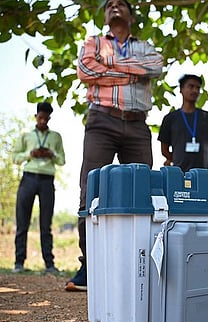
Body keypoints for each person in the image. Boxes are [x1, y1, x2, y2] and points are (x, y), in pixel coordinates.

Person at [66, 0, 163, 291]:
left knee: (144, 192)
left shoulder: (145, 46)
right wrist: (131, 72)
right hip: (101, 121)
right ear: (106, 15)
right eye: (109, 4)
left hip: (137, 123)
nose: (114, 6)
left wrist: (108, 66)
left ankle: (139, 264)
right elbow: (85, 70)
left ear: (131, 15)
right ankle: (89, 266)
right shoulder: (93, 42)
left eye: (121, 3)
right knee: (91, 191)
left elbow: (155, 67)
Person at [12, 101, 66, 273]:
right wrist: (30, 154)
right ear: (36, 116)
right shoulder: (26, 136)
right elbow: (15, 158)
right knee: (22, 222)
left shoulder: (56, 137)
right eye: (40, 117)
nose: (43, 121)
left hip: (47, 180)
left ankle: (49, 264)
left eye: (46, 118)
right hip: (28, 178)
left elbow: (62, 160)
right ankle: (18, 263)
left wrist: (52, 154)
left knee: (45, 224)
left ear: (50, 118)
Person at [158, 74, 208, 173]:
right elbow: (164, 149)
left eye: (198, 88)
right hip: (179, 173)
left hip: (203, 173)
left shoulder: (207, 118)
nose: (194, 90)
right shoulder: (170, 118)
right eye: (191, 86)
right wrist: (178, 159)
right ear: (181, 89)